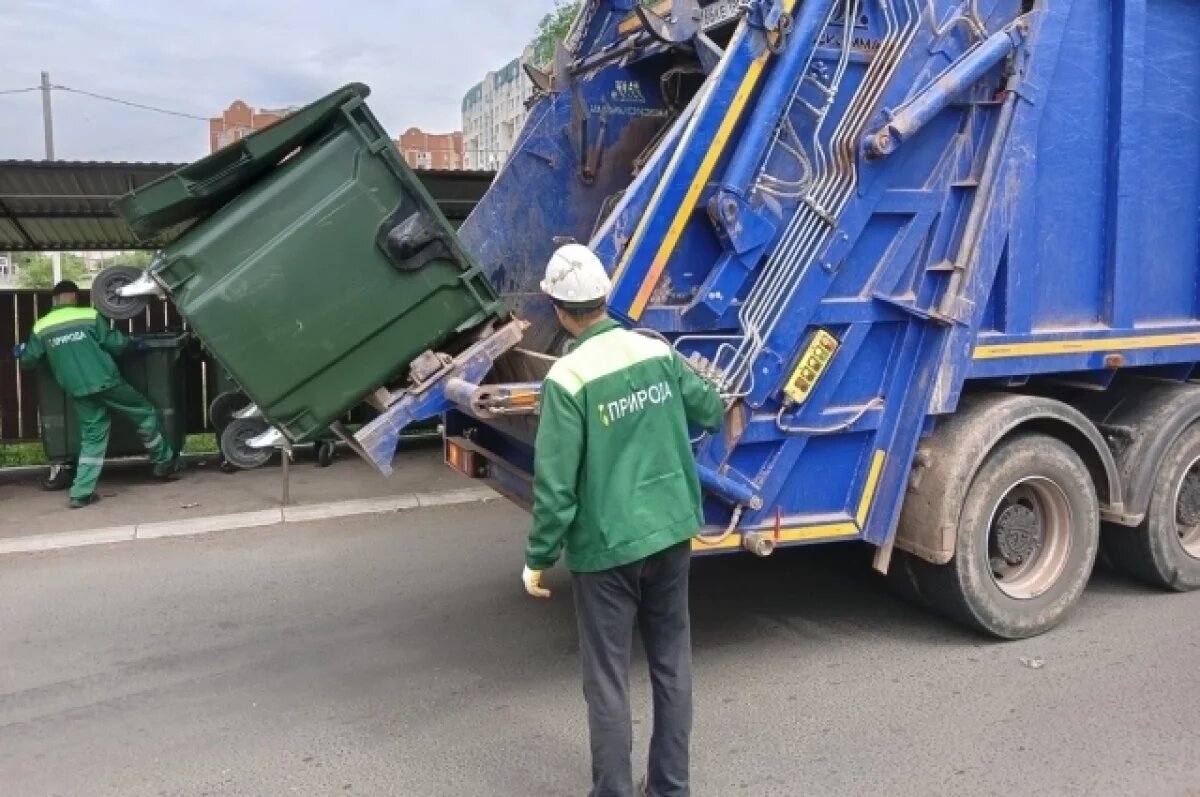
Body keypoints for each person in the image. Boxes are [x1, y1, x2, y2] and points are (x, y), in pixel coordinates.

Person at [522, 244, 725, 797]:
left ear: (560, 310)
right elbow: (710, 409)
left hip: (607, 549)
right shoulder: (656, 352)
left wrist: (538, 558)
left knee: (608, 680)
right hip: (671, 533)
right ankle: (670, 787)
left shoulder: (567, 379)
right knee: (672, 664)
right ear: (605, 297)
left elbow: (556, 488)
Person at [13, 280, 178, 508]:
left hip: (77, 389)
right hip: (105, 381)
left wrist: (21, 352)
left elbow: (29, 361)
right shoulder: (88, 316)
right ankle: (163, 463)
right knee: (143, 412)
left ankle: (80, 493)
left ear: (55, 299)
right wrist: (134, 344)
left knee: (93, 436)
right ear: (74, 297)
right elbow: (115, 343)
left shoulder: (42, 327)